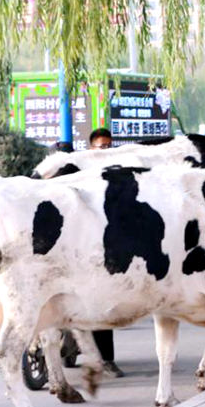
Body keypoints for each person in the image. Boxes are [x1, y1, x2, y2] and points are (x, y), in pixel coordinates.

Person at [88, 128, 125, 378]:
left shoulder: (118, 177)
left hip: (105, 247)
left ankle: (107, 360)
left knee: (101, 305)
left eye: (108, 146)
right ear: (91, 148)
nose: (105, 151)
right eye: (100, 147)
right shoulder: (79, 172)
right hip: (81, 243)